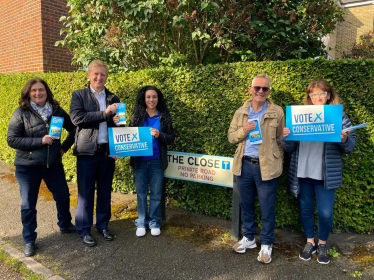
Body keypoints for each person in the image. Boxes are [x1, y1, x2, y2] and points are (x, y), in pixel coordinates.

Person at [281, 79, 356, 264]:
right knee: (305, 210)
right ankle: (310, 242)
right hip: (303, 173)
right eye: (313, 94)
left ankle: (322, 243)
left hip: (325, 175)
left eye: (322, 93)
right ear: (309, 97)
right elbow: (288, 148)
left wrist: (344, 139)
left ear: (329, 95)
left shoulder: (339, 117)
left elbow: (350, 147)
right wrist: (286, 137)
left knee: (325, 213)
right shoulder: (299, 116)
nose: (318, 97)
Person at [7, 78, 76, 257]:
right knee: (28, 205)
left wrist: (62, 149)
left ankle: (65, 224)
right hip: (27, 167)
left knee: (62, 196)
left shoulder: (57, 111)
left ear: (47, 92)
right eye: (34, 91)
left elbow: (74, 130)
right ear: (28, 93)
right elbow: (12, 140)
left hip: (52, 164)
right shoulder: (21, 112)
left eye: (41, 90)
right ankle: (29, 240)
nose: (38, 93)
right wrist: (40, 140)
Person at [228, 74, 284, 264]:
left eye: (265, 89)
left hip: (266, 167)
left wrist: (276, 159)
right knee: (246, 205)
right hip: (244, 165)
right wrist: (243, 130)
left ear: (269, 92)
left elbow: (280, 140)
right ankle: (249, 238)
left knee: (267, 208)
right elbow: (231, 137)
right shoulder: (241, 111)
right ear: (251, 90)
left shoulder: (277, 112)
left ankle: (267, 244)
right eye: (257, 88)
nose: (261, 91)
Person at [70, 60, 121, 247]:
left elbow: (118, 126)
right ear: (89, 75)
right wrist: (104, 113)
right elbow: (77, 118)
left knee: (105, 191)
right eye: (96, 74)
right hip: (87, 153)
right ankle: (84, 229)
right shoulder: (79, 95)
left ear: (107, 77)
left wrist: (117, 122)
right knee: (85, 192)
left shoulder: (113, 97)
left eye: (103, 75)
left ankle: (102, 225)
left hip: (106, 153)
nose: (99, 78)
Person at [130, 85, 174, 237]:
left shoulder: (163, 116)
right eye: (148, 97)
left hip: (156, 160)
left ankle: (154, 222)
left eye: (154, 96)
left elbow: (170, 138)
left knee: (156, 193)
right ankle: (141, 222)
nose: (151, 100)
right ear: (144, 98)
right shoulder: (137, 117)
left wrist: (159, 135)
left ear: (158, 99)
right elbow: (127, 137)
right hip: (140, 161)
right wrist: (117, 123)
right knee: (141, 193)